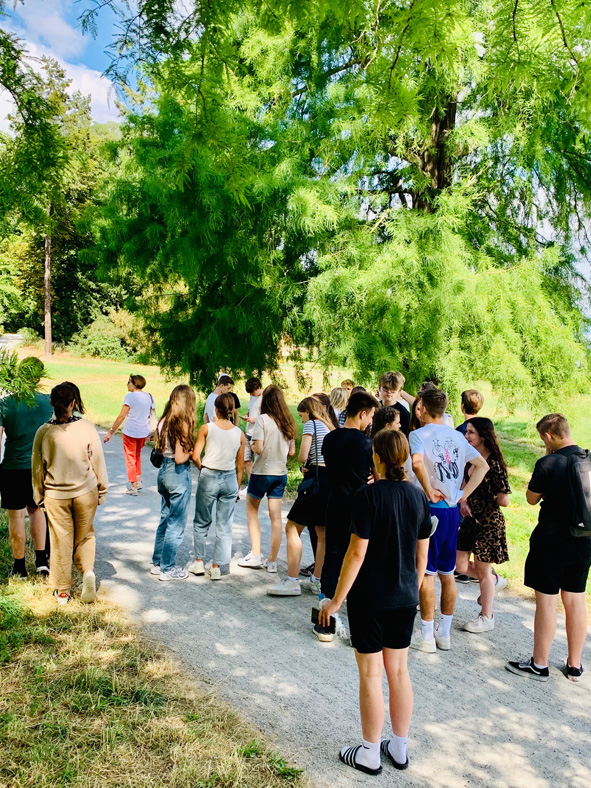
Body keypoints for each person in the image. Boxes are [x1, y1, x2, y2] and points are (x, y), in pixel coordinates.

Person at [320, 429, 431, 774]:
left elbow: (356, 554)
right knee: (398, 671)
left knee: (371, 673)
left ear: (377, 458)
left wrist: (335, 601)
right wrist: (412, 588)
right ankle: (399, 747)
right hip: (404, 597)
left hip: (369, 599)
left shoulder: (366, 496)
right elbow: (422, 555)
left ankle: (369, 752)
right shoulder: (418, 497)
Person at [507, 414, 591, 682]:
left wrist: (547, 457)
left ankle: (539, 664)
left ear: (547, 436)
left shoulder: (549, 462)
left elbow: (531, 499)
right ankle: (575, 665)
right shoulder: (588, 459)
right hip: (584, 540)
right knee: (575, 599)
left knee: (547, 601)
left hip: (551, 540)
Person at [409, 388, 488, 652]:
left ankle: (426, 634)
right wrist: (463, 494)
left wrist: (428, 488)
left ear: (423, 409)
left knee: (427, 572)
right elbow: (482, 466)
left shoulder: (419, 434)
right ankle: (444, 633)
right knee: (447, 572)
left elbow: (417, 464)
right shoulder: (456, 435)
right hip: (452, 509)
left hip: (431, 507)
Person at [31, 383, 108, 604]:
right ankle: (88, 572)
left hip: (56, 495)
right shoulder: (86, 428)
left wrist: (38, 496)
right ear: (73, 403)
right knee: (85, 535)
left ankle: (63, 591)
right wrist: (102, 489)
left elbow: (37, 468)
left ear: (51, 402)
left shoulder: (43, 432)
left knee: (60, 540)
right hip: (85, 492)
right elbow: (97, 461)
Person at [317, 391, 379, 641]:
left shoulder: (330, 438)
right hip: (359, 506)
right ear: (362, 413)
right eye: (370, 416)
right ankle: (357, 624)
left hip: (334, 503)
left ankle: (326, 617)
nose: (370, 421)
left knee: (333, 556)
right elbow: (377, 475)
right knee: (358, 559)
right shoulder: (366, 443)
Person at [267, 397, 334, 597]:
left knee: (292, 528)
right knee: (322, 534)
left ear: (308, 412)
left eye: (301, 415)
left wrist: (304, 463)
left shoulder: (312, 425)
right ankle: (317, 580)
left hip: (314, 480)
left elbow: (303, 455)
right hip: (329, 481)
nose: (301, 419)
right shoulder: (329, 426)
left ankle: (292, 580)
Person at [456, 418, 510, 632]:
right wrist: (465, 501)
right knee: (459, 565)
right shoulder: (471, 458)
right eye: (466, 432)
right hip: (470, 521)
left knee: (482, 569)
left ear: (483, 435)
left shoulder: (494, 464)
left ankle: (487, 616)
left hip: (488, 522)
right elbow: (464, 484)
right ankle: (494, 580)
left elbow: (504, 500)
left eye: (471, 432)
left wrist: (483, 498)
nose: (467, 436)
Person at [0, 357, 52, 578]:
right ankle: (41, 562)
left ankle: (19, 567)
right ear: (39, 377)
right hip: (39, 468)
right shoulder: (48, 402)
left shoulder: (5, 403)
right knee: (37, 511)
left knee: (16, 516)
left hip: (12, 467)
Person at [238, 385, 296, 571]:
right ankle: (272, 561)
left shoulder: (262, 419)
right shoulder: (287, 422)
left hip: (262, 471)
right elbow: (292, 452)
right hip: (280, 473)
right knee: (276, 517)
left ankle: (255, 554)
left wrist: (252, 445)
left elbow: (259, 448)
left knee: (252, 510)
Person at [190, 393, 244, 580]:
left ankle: (198, 561)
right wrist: (237, 488)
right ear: (232, 410)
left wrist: (202, 468)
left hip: (209, 475)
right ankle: (216, 567)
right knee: (224, 525)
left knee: (201, 520)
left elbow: (195, 456)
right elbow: (240, 466)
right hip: (229, 479)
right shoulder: (239, 433)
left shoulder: (207, 428)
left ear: (215, 408)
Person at [150, 385, 196, 581]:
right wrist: (192, 451)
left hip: (163, 472)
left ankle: (157, 562)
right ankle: (168, 568)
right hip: (177, 474)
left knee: (165, 519)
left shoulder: (164, 420)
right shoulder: (182, 423)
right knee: (176, 523)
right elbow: (179, 457)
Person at [103, 374, 155, 496]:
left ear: (135, 384)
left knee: (130, 458)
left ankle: (133, 486)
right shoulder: (149, 396)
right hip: (143, 432)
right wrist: (153, 432)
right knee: (137, 455)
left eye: (129, 382)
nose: (127, 384)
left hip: (131, 432)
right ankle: (138, 480)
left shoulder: (130, 397)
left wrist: (111, 432)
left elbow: (122, 416)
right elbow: (152, 415)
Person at [241, 377, 263, 483]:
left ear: (258, 388)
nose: (251, 394)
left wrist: (255, 419)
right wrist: (247, 416)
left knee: (257, 460)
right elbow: (251, 410)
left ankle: (257, 482)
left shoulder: (264, 398)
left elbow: (266, 416)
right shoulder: (252, 397)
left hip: (257, 433)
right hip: (248, 431)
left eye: (252, 392)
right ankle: (250, 482)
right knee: (246, 458)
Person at [378, 372, 410, 437]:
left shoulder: (404, 413)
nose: (389, 392)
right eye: (386, 388)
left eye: (393, 389)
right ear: (379, 388)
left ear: (399, 391)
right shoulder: (374, 408)